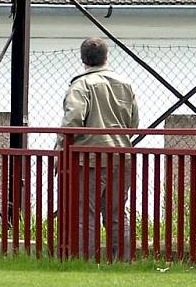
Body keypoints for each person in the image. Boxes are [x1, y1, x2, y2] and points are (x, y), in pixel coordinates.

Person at [56, 37, 138, 261]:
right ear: (106, 57)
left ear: (83, 59)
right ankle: (123, 260)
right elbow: (133, 123)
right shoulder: (125, 84)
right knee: (117, 213)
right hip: (121, 157)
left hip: (89, 159)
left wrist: (60, 151)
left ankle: (86, 261)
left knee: (86, 213)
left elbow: (72, 121)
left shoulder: (81, 85)